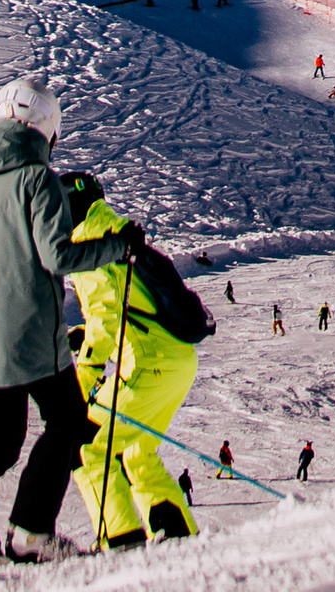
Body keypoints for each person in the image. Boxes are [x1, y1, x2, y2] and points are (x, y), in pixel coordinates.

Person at [0, 75, 142, 558]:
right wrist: (118, 246)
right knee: (67, 422)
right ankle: (30, 533)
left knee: (0, 437)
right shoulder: (37, 179)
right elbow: (58, 257)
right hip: (32, 333)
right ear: (47, 129)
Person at [63, 172, 214, 543]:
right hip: (177, 360)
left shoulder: (88, 244)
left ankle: (121, 539)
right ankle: (178, 535)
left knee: (84, 447)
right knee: (135, 451)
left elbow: (104, 316)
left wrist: (83, 380)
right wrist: (87, 336)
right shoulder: (119, 231)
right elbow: (128, 303)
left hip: (149, 363)